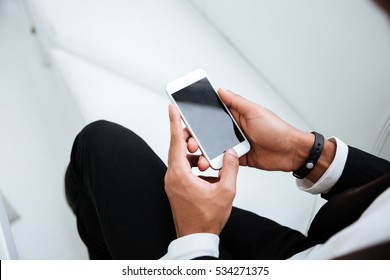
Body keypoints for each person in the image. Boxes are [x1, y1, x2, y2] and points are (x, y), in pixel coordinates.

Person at [65, 87, 390, 260]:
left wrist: (196, 236)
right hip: (306, 253)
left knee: (98, 147)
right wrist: (305, 152)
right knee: (102, 167)